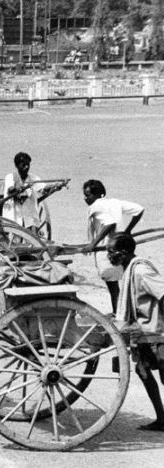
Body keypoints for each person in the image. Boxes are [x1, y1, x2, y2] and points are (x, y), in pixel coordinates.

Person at [109, 233, 164, 431]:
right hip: (139, 330)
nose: (109, 256)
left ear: (123, 253)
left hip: (154, 330)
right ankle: (162, 418)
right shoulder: (128, 270)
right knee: (142, 371)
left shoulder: (140, 271)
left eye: (111, 252)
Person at [81, 178, 144, 312]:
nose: (85, 199)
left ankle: (118, 314)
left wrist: (93, 244)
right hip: (122, 247)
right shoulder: (115, 202)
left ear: (99, 194)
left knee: (113, 286)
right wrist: (128, 231)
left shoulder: (94, 206)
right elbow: (139, 210)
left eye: (88, 195)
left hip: (107, 250)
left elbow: (110, 223)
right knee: (121, 283)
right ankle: (123, 312)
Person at [1, 151, 56, 238]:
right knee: (15, 237)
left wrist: (55, 186)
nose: (26, 167)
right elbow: (10, 190)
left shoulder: (33, 178)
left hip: (28, 214)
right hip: (14, 212)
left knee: (31, 235)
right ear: (17, 166)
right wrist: (21, 188)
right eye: (23, 165)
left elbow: (43, 187)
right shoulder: (10, 177)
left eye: (28, 165)